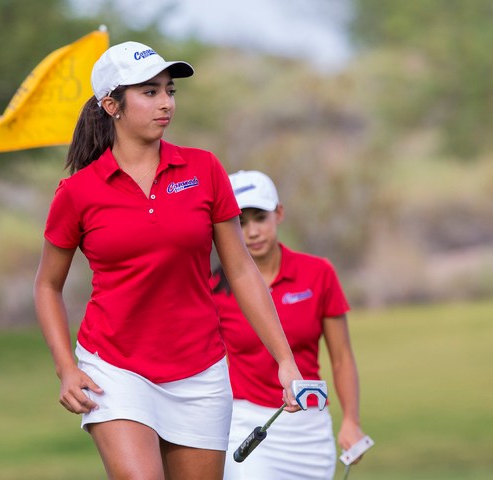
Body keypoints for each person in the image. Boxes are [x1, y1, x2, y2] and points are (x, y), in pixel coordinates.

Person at [33, 42, 303, 480]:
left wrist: (284, 360)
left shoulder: (204, 169)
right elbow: (47, 285)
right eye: (150, 92)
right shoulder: (78, 192)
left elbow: (240, 269)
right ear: (111, 105)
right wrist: (66, 366)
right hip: (115, 368)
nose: (165, 103)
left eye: (169, 91)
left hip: (200, 370)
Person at [212, 170, 368, 480]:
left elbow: (341, 357)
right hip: (247, 421)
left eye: (260, 218)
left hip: (310, 427)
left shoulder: (318, 273)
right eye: (240, 222)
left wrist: (351, 419)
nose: (252, 231)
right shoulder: (212, 287)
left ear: (278, 214)